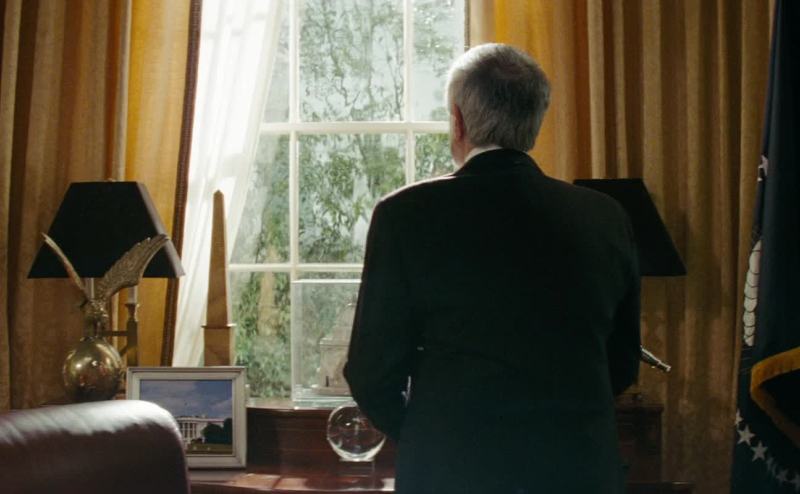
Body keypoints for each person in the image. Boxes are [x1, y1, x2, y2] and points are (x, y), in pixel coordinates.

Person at [344, 43, 641, 494]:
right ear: (536, 123)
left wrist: (429, 434)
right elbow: (621, 364)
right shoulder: (606, 217)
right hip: (577, 470)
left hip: (451, 472)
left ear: (458, 121)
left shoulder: (405, 215)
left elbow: (371, 373)